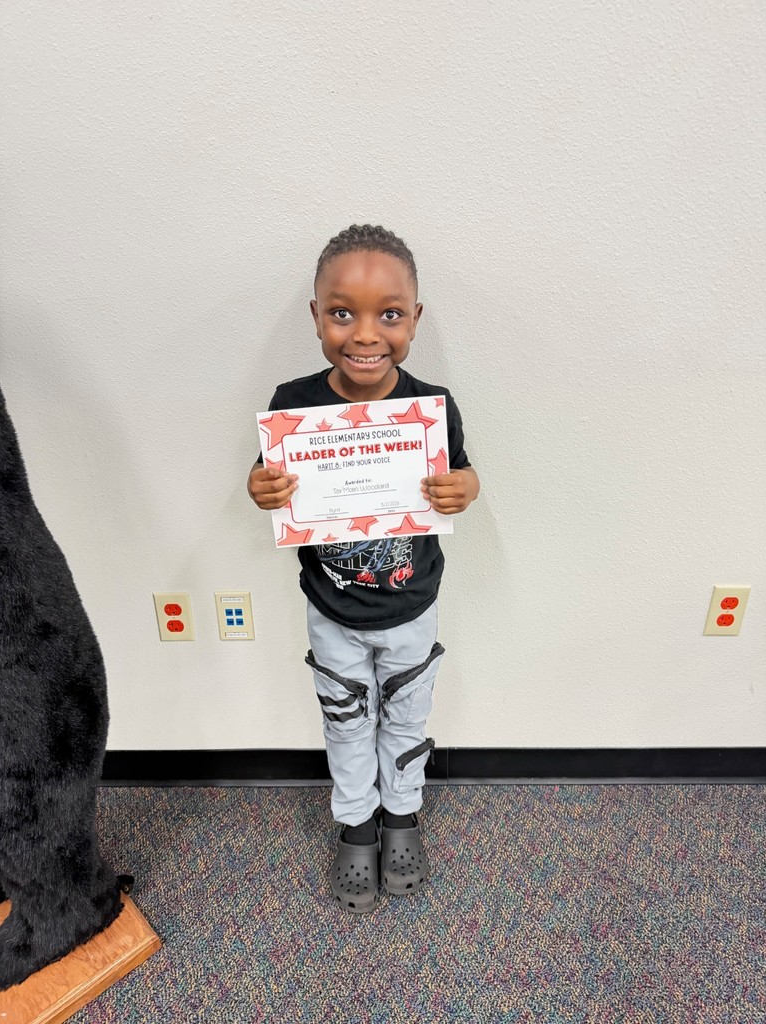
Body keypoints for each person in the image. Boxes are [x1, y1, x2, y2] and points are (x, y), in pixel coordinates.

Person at [248, 224, 479, 912]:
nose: (364, 333)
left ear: (414, 318)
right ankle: (355, 824)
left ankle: (402, 817)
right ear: (317, 317)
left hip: (411, 609)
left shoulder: (430, 407)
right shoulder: (293, 403)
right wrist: (261, 486)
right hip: (332, 609)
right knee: (345, 722)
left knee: (406, 718)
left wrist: (464, 489)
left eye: (389, 313)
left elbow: (459, 477)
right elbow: (269, 479)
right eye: (342, 312)